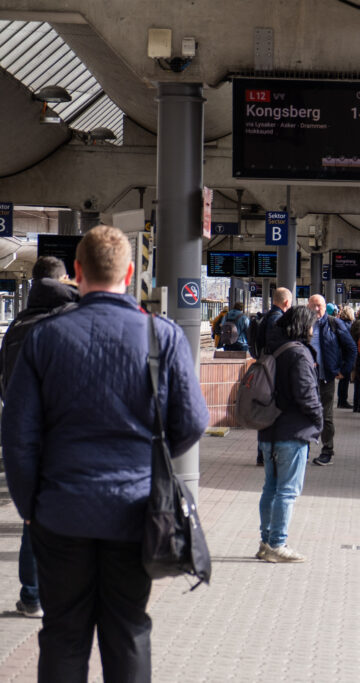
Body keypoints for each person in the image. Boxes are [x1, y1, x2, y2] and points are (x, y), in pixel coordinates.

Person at [1, 225, 208, 682]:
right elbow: (193, 421)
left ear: (77, 272)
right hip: (136, 515)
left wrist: (31, 507)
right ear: (131, 273)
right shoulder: (163, 337)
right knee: (129, 631)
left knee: (63, 635)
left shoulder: (45, 338)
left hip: (59, 512)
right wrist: (150, 462)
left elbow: (17, 437)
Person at [0, 256, 79, 621]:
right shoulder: (68, 321)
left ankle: (31, 596)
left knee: (34, 516)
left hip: (23, 434)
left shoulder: (17, 324)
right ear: (62, 279)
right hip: (62, 433)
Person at [256, 306, 322, 563]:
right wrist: (319, 419)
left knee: (270, 488)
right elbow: (306, 394)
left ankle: (265, 542)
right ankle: (278, 544)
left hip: (267, 430)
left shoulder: (271, 348)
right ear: (302, 326)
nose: (312, 330)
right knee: (287, 491)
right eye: (311, 325)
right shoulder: (298, 354)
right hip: (291, 432)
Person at [307, 294, 357, 466]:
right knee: (304, 413)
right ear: (307, 306)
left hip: (326, 377)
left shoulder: (335, 324)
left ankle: (327, 450)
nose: (316, 309)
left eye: (319, 305)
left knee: (326, 416)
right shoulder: (303, 324)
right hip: (305, 378)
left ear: (325, 307)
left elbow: (351, 348)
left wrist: (344, 370)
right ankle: (303, 449)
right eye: (312, 305)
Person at [253, 288, 293, 466]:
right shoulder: (277, 320)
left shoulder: (266, 317)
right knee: (271, 412)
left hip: (264, 368)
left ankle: (263, 453)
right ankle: (265, 454)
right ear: (286, 303)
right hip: (272, 371)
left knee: (265, 411)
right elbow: (275, 346)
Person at [336, 306, 355, 408]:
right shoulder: (348, 326)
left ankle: (341, 400)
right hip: (345, 355)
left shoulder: (340, 323)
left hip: (340, 355)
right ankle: (342, 401)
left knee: (343, 379)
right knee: (344, 378)